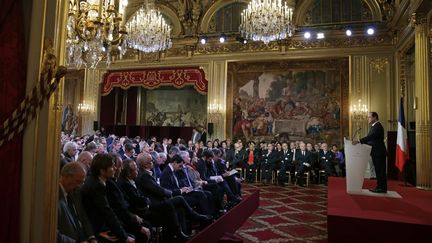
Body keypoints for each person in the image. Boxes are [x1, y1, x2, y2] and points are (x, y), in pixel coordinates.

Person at [353, 112, 387, 193]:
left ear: (375, 117)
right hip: (376, 152)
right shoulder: (374, 126)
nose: (367, 119)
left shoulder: (377, 126)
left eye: (369, 117)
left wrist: (359, 141)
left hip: (379, 153)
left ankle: (382, 188)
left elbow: (370, 137)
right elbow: (372, 140)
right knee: (378, 171)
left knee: (380, 171)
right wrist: (362, 143)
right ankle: (380, 187)